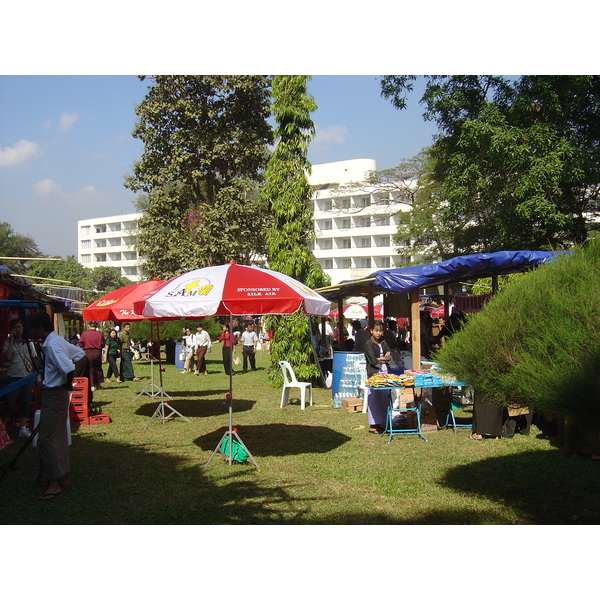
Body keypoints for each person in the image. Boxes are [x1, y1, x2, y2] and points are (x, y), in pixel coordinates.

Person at [29, 311, 85, 501]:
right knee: (58, 436)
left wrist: (67, 383)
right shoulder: (57, 341)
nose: (32, 332)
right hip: (57, 393)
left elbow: (69, 367)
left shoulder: (52, 344)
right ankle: (62, 476)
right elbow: (79, 354)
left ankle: (54, 483)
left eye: (33, 328)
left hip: (55, 393)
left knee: (47, 439)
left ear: (39, 328)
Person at [2, 318, 36, 438]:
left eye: (19, 327)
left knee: (25, 402)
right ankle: (3, 429)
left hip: (27, 375)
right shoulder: (8, 342)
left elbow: (34, 358)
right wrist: (11, 340)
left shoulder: (29, 342)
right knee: (9, 403)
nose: (18, 329)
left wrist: (37, 376)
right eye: (15, 327)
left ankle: (23, 427)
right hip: (13, 376)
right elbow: (8, 357)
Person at [364, 320, 392, 434]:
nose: (378, 333)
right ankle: (373, 424)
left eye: (380, 331)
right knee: (374, 398)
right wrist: (382, 359)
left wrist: (385, 358)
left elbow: (389, 355)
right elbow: (372, 360)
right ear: (371, 331)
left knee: (384, 397)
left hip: (385, 372)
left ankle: (382, 422)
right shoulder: (368, 344)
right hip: (374, 373)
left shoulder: (383, 342)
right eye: (376, 331)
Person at [78, 321, 105, 391]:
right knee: (98, 368)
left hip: (88, 352)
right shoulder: (99, 334)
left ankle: (92, 385)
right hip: (97, 352)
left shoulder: (84, 334)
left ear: (89, 325)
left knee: (90, 369)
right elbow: (103, 344)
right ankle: (98, 384)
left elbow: (80, 343)